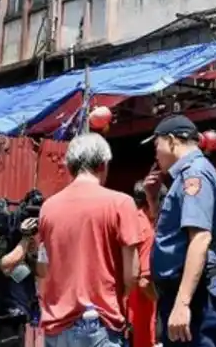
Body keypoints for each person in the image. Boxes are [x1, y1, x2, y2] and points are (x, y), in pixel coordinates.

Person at [36, 132, 143, 347]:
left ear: (70, 167)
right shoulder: (121, 203)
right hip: (98, 324)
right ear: (103, 165)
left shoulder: (48, 207)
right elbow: (132, 274)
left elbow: (43, 268)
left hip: (55, 327)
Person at [143, 116, 216, 347]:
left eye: (157, 145)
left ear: (171, 141)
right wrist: (153, 201)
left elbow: (200, 238)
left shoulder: (194, 175)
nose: (156, 154)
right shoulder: (183, 177)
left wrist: (182, 304)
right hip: (183, 289)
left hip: (194, 292)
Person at [0, 190, 44, 347]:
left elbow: (42, 272)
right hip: (4, 315)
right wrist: (25, 239)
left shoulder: (27, 244)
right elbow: (6, 266)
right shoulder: (4, 240)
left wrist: (33, 253)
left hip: (21, 314)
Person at [126, 182, 159, 347]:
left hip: (121, 312)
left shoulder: (126, 221)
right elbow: (144, 281)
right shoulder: (146, 230)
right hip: (141, 316)